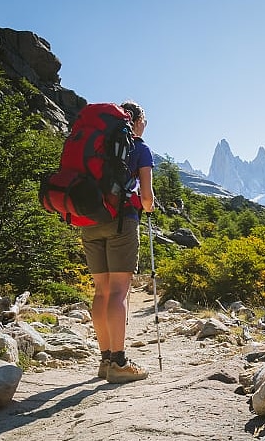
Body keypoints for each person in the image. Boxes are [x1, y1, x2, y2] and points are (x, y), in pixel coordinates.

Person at [81, 100, 154, 383]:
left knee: (101, 291)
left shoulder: (97, 142)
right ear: (136, 121)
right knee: (119, 292)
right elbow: (146, 198)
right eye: (144, 120)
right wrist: (148, 206)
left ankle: (104, 360)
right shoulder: (139, 147)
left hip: (89, 222)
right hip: (121, 221)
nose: (145, 125)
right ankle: (119, 362)